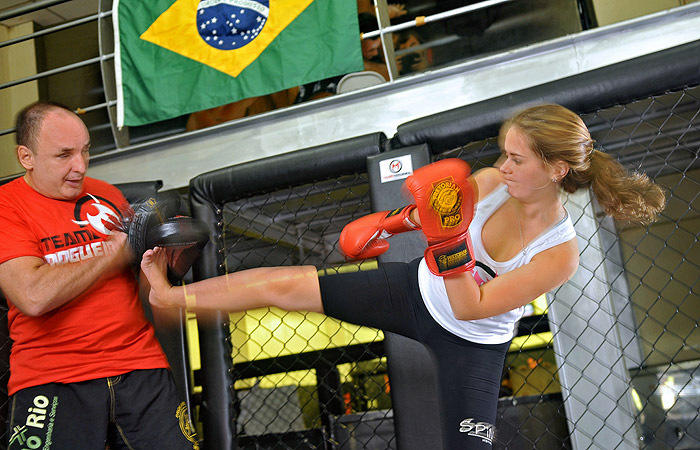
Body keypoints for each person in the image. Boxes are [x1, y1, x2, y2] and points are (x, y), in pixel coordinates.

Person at [140, 104, 666, 449]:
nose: (503, 166)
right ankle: (172, 297)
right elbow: (439, 209)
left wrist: (445, 240)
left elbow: (471, 307)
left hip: (473, 346)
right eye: (504, 153)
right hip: (415, 290)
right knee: (285, 284)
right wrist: (390, 224)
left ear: (555, 170)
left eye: (516, 159)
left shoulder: (561, 254)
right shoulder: (491, 181)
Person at [0, 101, 198, 449]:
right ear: (26, 157)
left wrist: (173, 259)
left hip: (140, 366)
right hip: (54, 379)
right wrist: (116, 250)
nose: (80, 166)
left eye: (85, 151)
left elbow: (145, 285)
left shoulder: (106, 195)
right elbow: (32, 295)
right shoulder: (7, 206)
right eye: (64, 155)